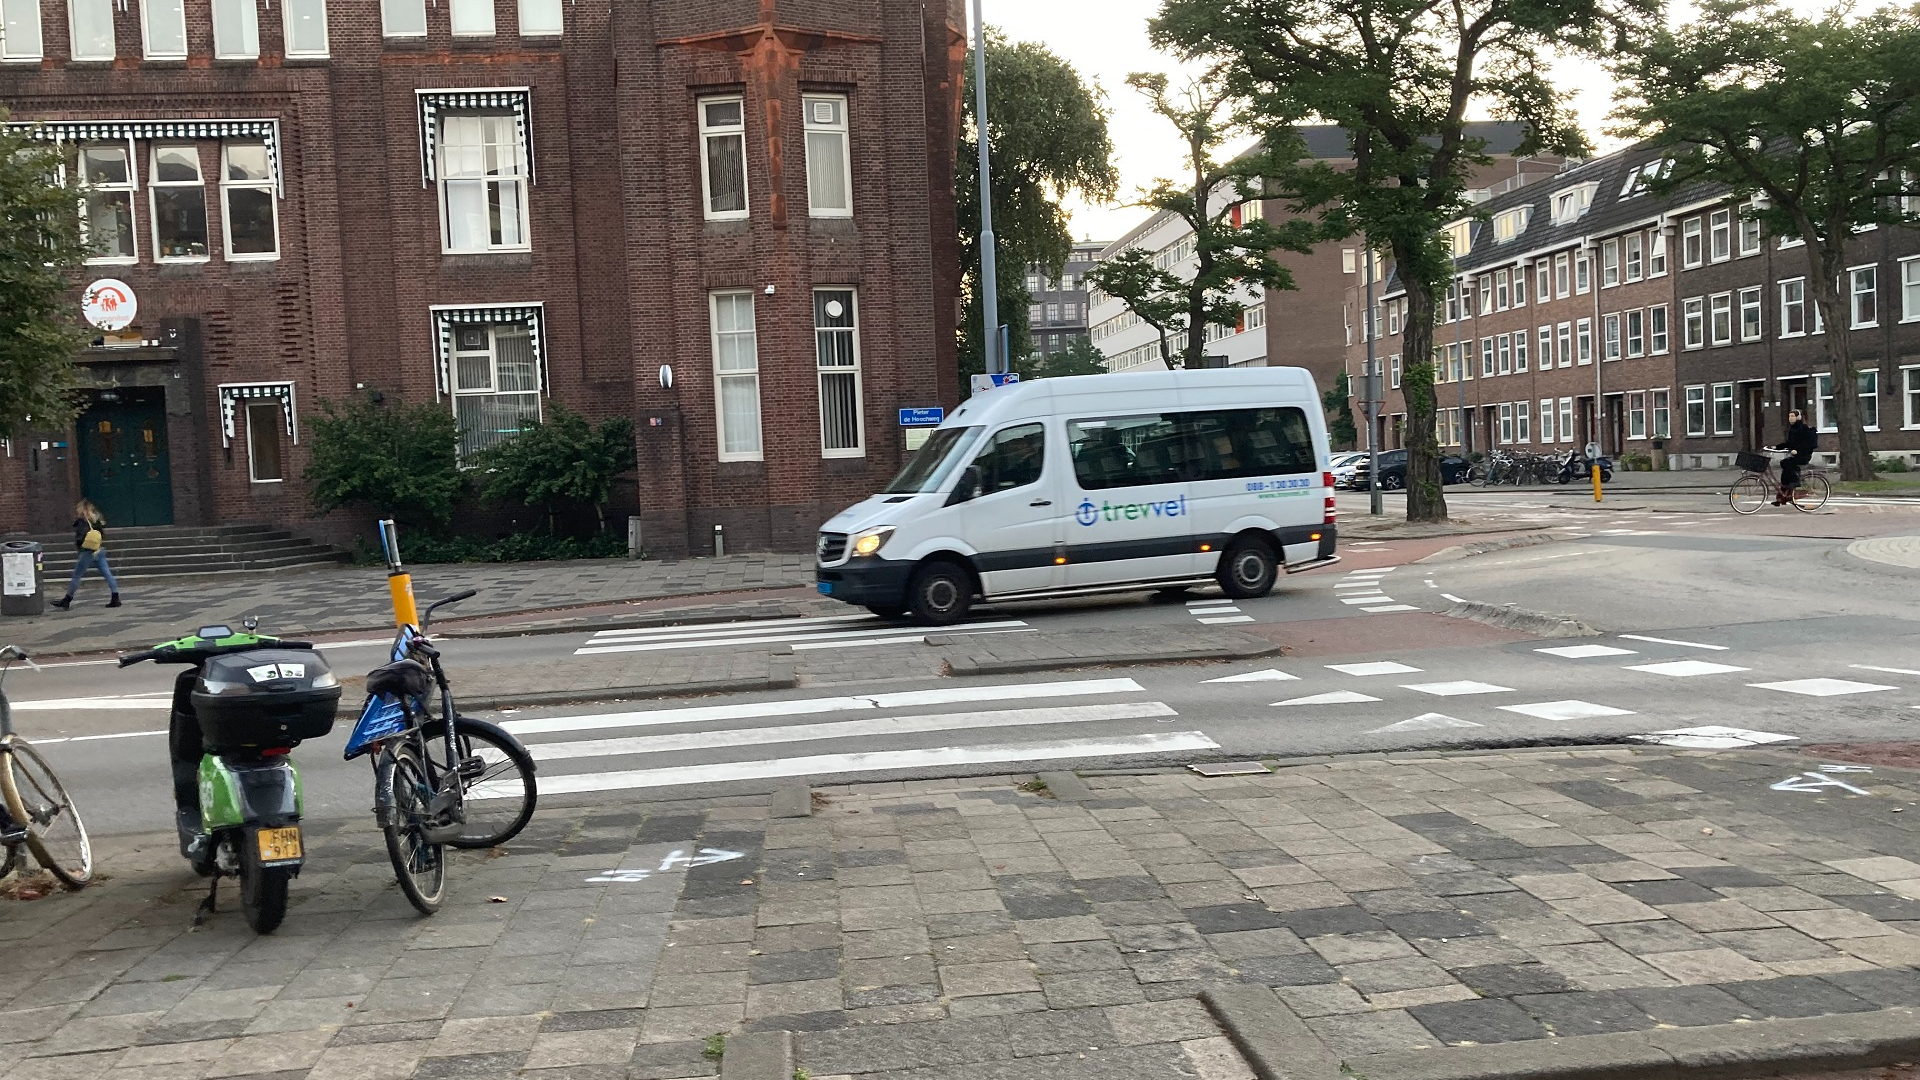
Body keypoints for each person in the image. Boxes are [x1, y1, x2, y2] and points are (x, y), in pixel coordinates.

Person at [50, 499, 121, 609]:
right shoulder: (96, 520)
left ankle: (67, 600)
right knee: (107, 574)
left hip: (87, 552)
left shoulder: (82, 522)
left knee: (76, 575)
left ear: (81, 509)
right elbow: (101, 534)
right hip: (98, 549)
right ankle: (115, 597)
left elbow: (80, 536)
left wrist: (79, 545)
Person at [1772, 409, 1817, 506]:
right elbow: (1789, 443)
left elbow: (1808, 444)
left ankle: (1796, 482)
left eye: (1792, 416)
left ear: (1799, 417)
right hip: (1796, 454)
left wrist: (1798, 450)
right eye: (1789, 416)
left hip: (1803, 455)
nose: (1790, 418)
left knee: (1786, 463)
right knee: (1785, 467)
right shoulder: (1792, 429)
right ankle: (1783, 496)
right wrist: (1776, 447)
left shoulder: (1804, 429)